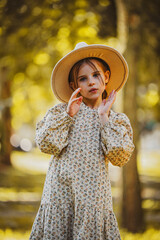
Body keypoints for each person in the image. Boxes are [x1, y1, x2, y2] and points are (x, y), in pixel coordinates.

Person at [29, 42, 135, 240]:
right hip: (60, 194)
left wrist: (104, 117)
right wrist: (68, 115)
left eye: (96, 75)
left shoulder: (114, 120)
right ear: (74, 86)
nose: (91, 82)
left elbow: (120, 156)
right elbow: (45, 143)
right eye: (83, 79)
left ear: (106, 77)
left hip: (93, 198)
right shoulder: (61, 113)